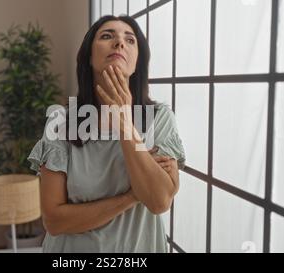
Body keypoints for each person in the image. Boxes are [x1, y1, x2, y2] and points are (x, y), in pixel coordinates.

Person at [27, 15, 185, 252]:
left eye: (130, 40)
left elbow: (159, 201)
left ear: (137, 63)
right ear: (88, 57)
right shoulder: (60, 121)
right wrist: (132, 196)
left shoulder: (159, 118)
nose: (120, 42)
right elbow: (55, 221)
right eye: (107, 36)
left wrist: (125, 124)